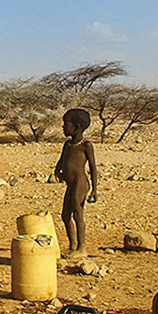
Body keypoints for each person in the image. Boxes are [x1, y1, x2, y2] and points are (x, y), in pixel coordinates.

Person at [54, 108, 98, 259]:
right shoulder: (67, 145)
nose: (63, 128)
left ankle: (82, 248)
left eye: (66, 124)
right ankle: (72, 245)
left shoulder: (86, 145)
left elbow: (93, 168)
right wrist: (57, 171)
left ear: (77, 126)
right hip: (70, 183)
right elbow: (61, 161)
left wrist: (94, 190)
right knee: (65, 215)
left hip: (80, 182)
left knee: (78, 214)